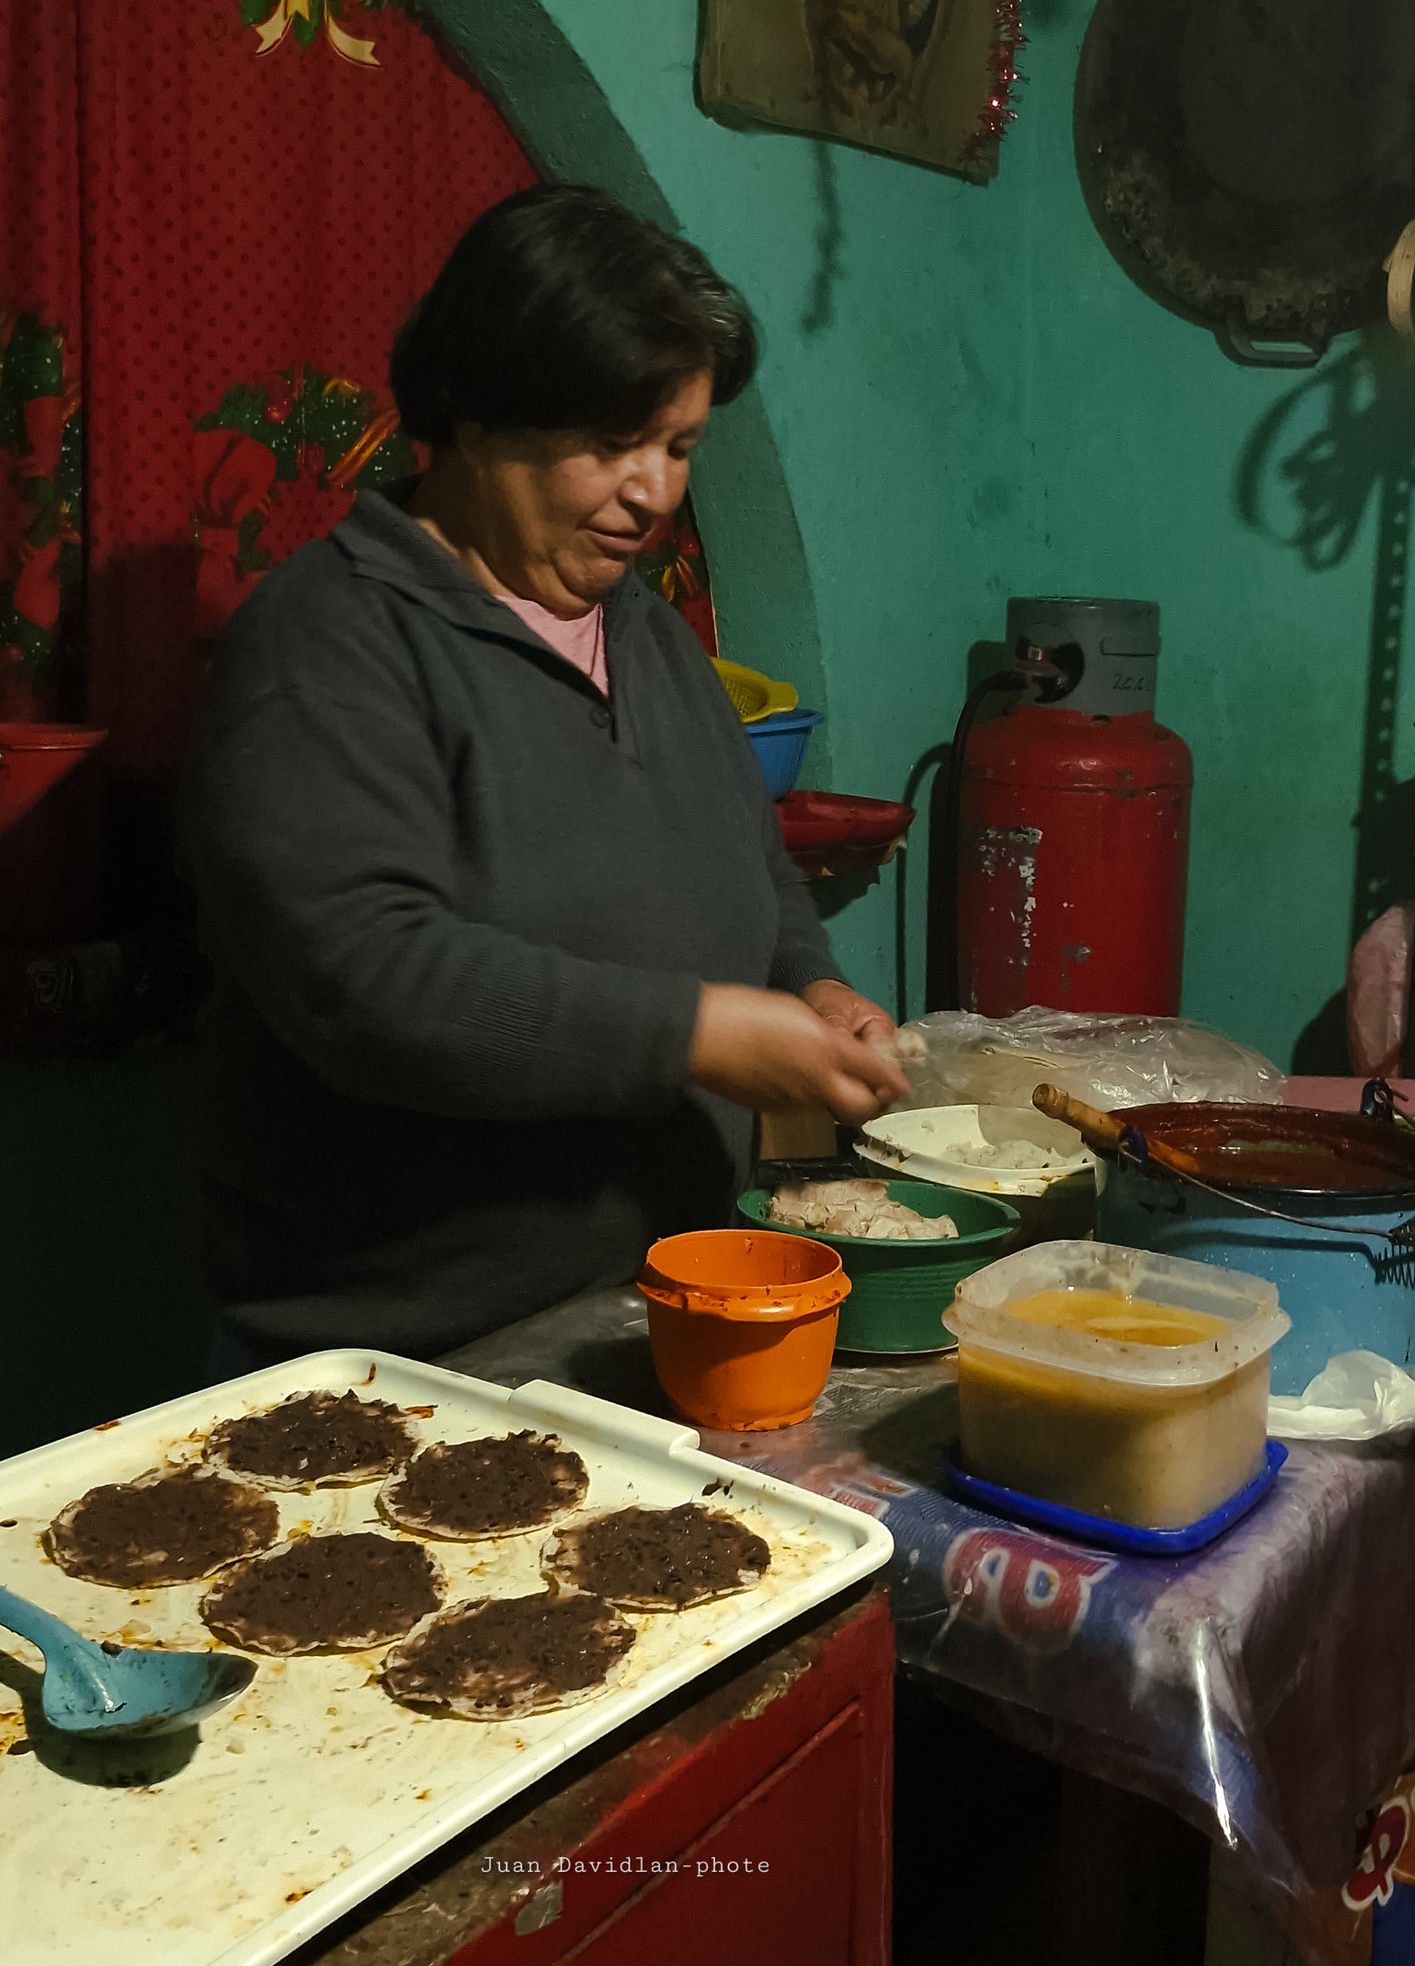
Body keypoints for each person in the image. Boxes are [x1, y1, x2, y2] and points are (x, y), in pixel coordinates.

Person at [180, 184, 904, 1367]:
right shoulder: (328, 641)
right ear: (475, 414)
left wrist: (809, 985)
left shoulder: (648, 634)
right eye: (613, 443)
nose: (656, 493)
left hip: (656, 1297)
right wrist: (693, 1030)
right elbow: (363, 973)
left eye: (678, 448)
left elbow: (751, 863)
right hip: (403, 1354)